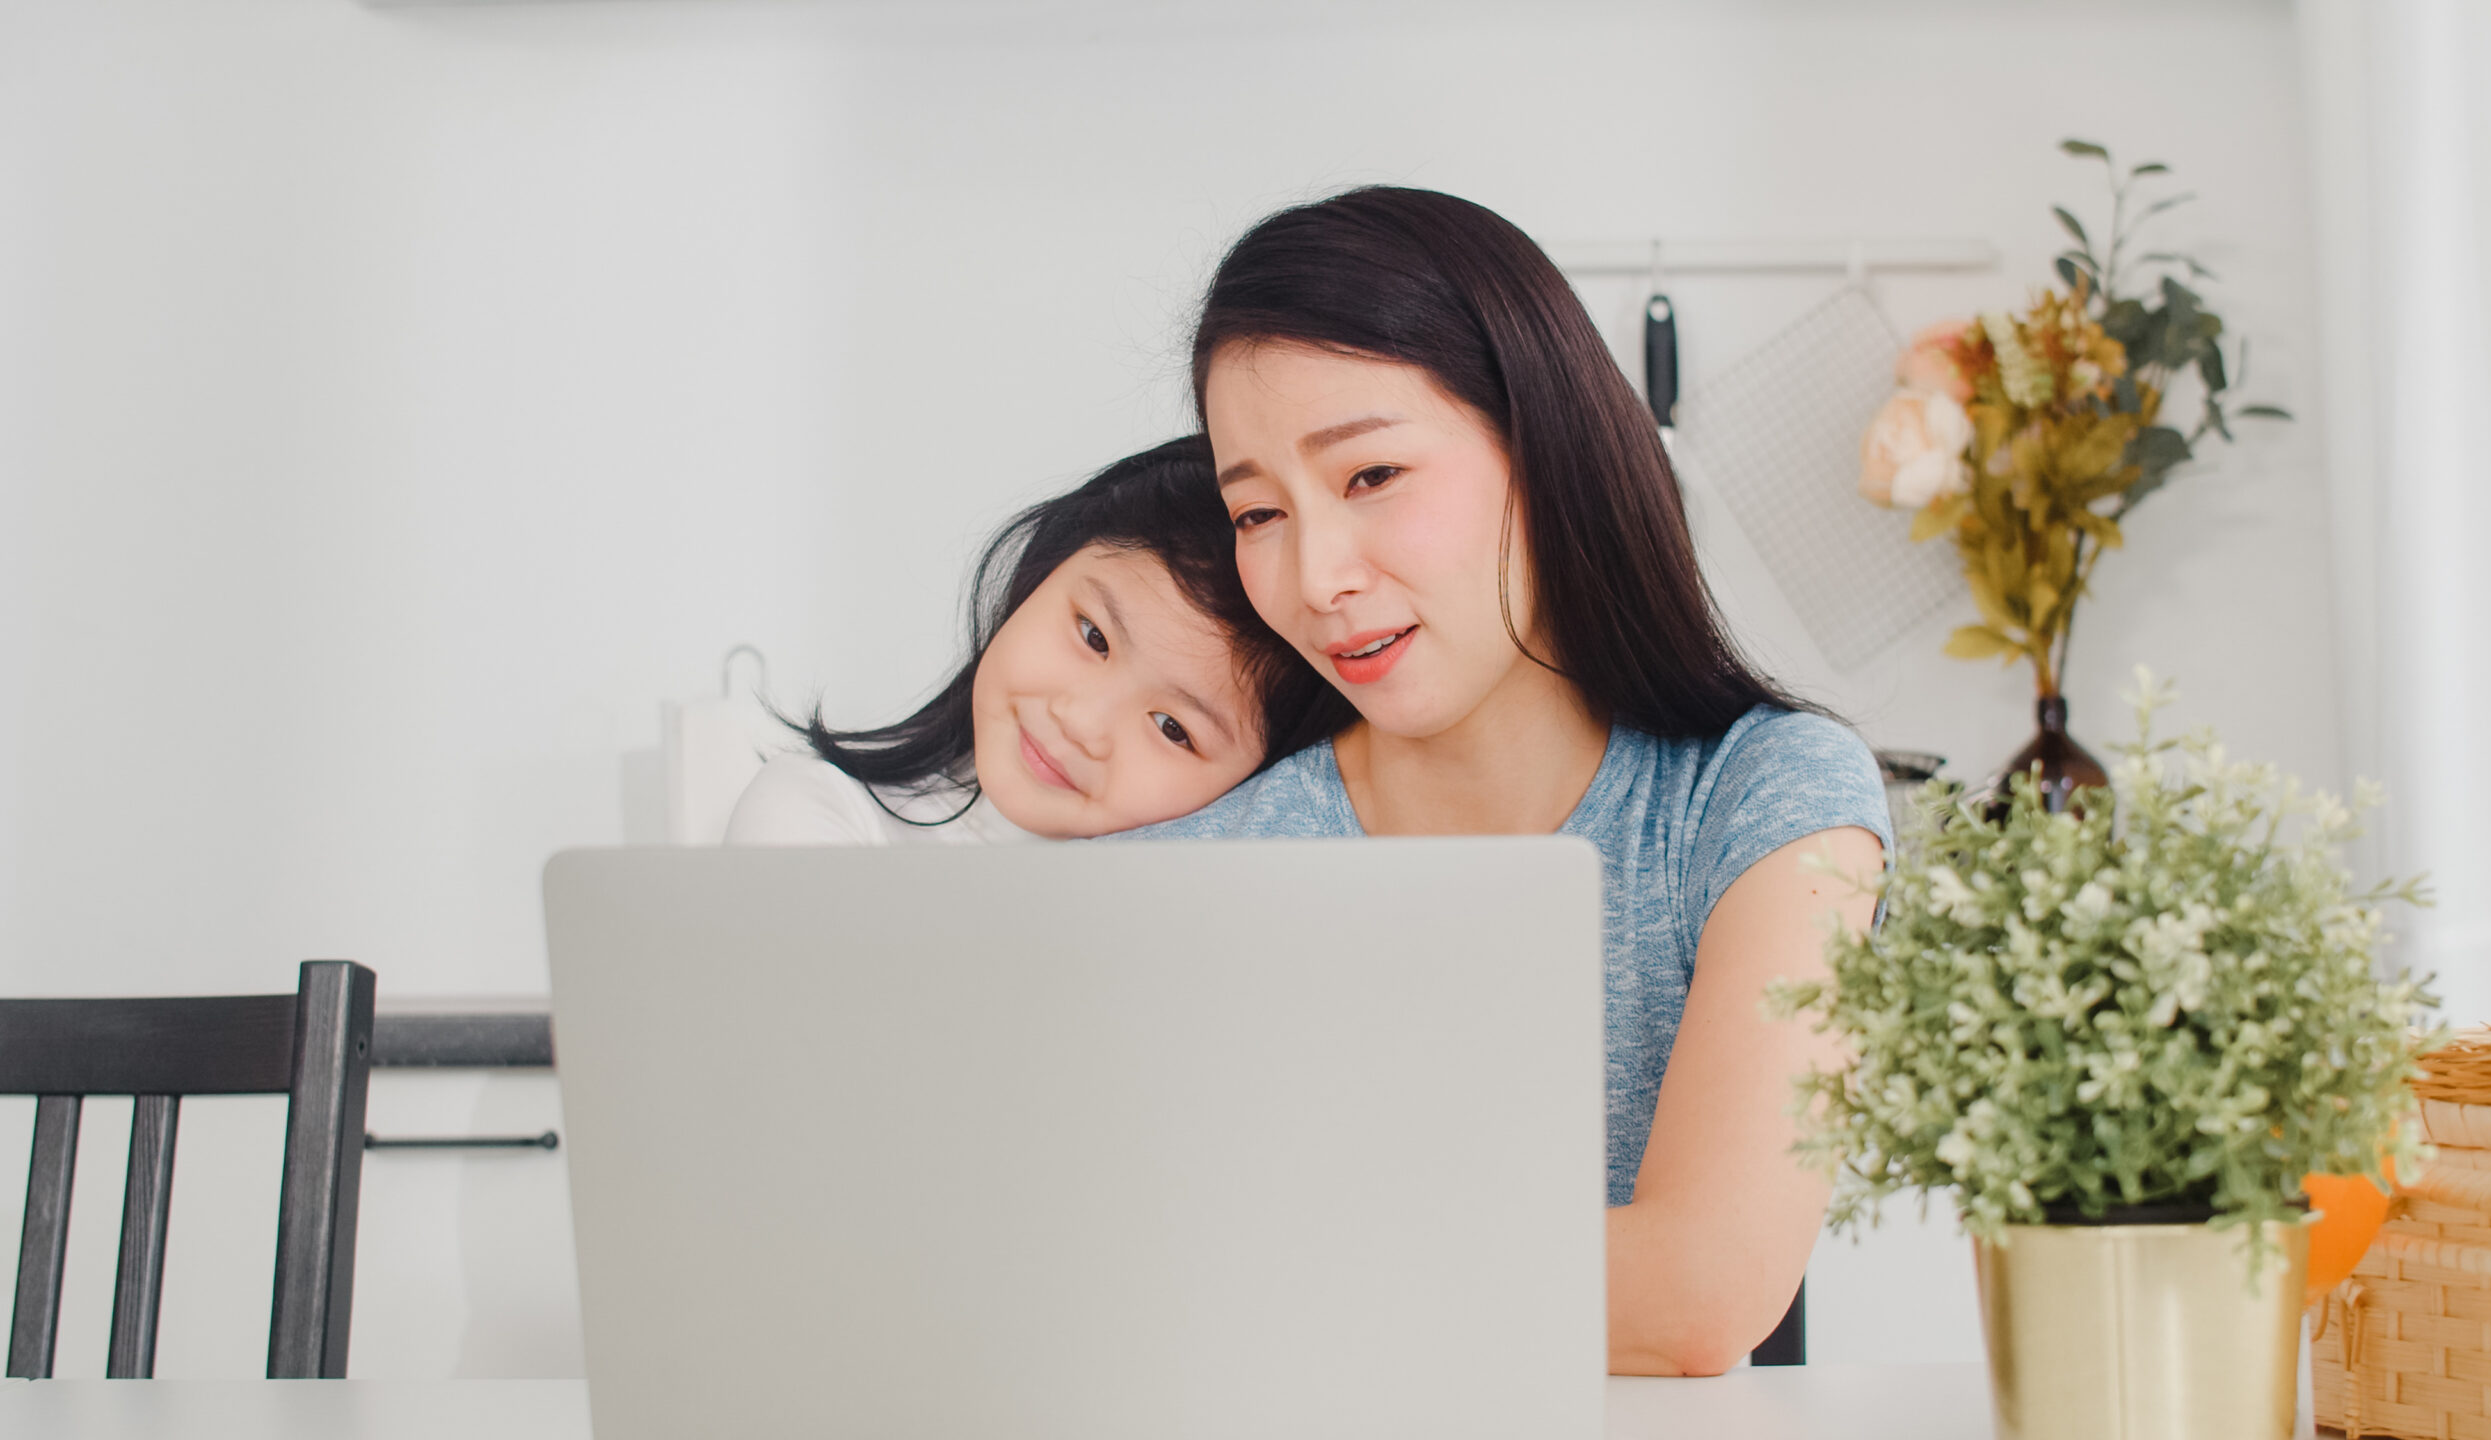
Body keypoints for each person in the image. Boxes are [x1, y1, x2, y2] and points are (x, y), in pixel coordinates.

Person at [1122, 188, 1892, 1375]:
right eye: (1258, 512)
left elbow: (1699, 1294)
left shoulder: (1761, 799)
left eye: (1371, 475)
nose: (1318, 575)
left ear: (1543, 448)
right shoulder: (1186, 874)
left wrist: (1229, 1272)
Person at [726, 436, 1350, 845]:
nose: (1081, 722)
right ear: (1039, 575)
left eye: (1171, 728)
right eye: (1093, 636)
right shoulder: (818, 819)